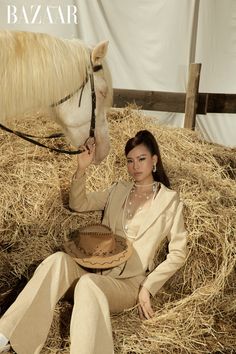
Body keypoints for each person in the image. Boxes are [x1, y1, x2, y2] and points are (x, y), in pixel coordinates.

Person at [0, 130, 187, 354]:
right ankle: (6, 335)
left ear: (154, 160)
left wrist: (149, 286)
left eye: (141, 159)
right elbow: (79, 204)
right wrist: (82, 168)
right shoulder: (118, 190)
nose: (135, 166)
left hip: (128, 284)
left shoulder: (170, 201)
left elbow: (178, 252)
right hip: (96, 269)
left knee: (88, 285)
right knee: (57, 260)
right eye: (130, 161)